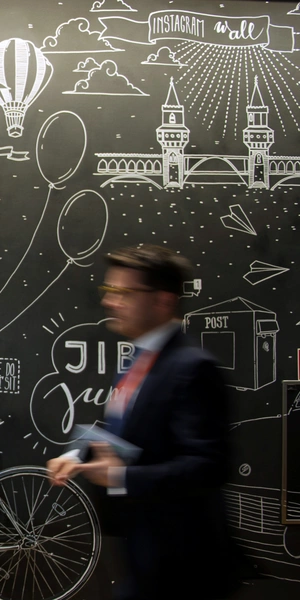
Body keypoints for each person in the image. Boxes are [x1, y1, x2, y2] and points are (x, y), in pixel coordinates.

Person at [46, 245, 240, 600]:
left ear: (163, 301)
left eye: (123, 293)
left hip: (185, 567)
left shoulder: (193, 368)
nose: (109, 302)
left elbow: (208, 467)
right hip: (146, 554)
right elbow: (124, 434)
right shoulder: (140, 359)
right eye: (109, 291)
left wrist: (120, 476)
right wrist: (77, 456)